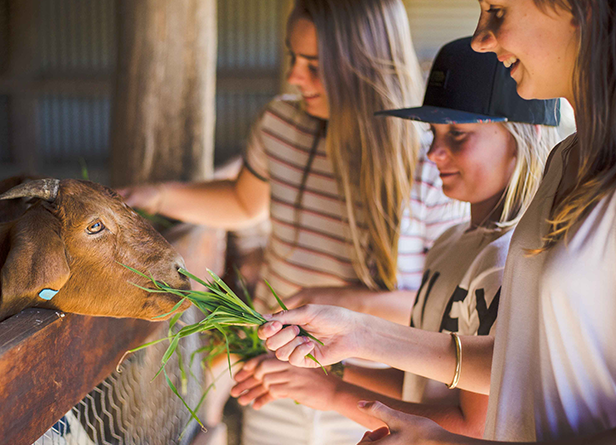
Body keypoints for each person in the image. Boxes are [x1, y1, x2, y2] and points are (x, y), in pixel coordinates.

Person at [256, 0, 616, 443]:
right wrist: (360, 333)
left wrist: (435, 439)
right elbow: (532, 365)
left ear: (581, 10)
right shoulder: (566, 160)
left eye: (497, 9)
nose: (480, 37)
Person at [119, 1, 466, 442]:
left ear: (363, 67)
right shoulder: (281, 124)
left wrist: (337, 299)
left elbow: (434, 308)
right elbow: (244, 203)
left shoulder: (429, 161)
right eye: (293, 58)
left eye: (315, 66)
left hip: (374, 389)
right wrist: (158, 194)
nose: (295, 77)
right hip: (278, 375)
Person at [230, 37, 560, 439]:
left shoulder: (506, 263)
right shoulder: (451, 243)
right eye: (433, 132)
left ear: (526, 136)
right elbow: (415, 382)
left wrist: (334, 393)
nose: (435, 152)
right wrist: (322, 367)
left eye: (457, 133)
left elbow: (474, 426)